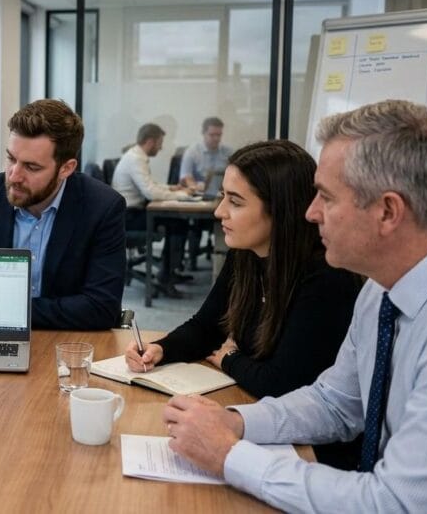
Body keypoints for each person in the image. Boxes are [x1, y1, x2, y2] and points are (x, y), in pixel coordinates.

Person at [161, 100, 427, 512]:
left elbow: (397, 504)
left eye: (326, 197)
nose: (310, 213)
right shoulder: (382, 290)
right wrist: (237, 422)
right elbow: (334, 402)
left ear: (388, 211)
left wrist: (229, 456)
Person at [125, 140, 362, 467]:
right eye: (223, 196)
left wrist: (230, 359)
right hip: (256, 412)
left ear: (281, 209)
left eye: (235, 201)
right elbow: (207, 327)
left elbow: (283, 384)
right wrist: (161, 348)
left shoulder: (325, 277)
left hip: (310, 451)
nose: (219, 211)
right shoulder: (247, 255)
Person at [0, 99, 126, 330]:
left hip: (65, 343)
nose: (14, 176)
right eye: (11, 158)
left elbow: (102, 308)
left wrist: (4, 310)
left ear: (66, 168)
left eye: (31, 167)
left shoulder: (102, 208)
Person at [112, 123, 191, 298]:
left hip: (131, 212)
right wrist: (181, 195)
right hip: (128, 217)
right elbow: (149, 191)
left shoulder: (136, 156)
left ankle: (168, 272)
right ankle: (166, 278)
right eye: (160, 142)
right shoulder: (136, 159)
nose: (161, 147)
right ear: (150, 141)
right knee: (177, 224)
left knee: (177, 222)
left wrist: (171, 188)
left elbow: (150, 185)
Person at [179, 116, 232, 191]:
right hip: (198, 193)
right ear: (203, 133)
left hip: (221, 193)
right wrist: (196, 188)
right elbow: (186, 177)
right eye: (212, 135)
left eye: (219, 135)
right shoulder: (193, 151)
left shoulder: (228, 152)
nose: (216, 138)